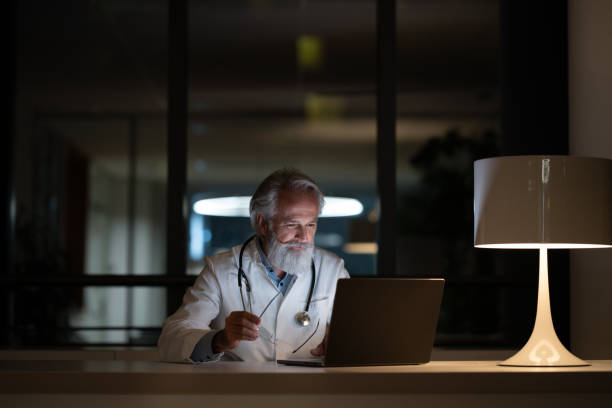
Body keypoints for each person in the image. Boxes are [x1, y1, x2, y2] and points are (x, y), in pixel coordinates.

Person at [158, 168, 350, 362]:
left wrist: (342, 345)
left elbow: (357, 332)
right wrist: (220, 339)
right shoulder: (221, 269)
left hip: (309, 388)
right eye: (292, 225)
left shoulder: (332, 269)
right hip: (241, 387)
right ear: (263, 224)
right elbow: (172, 337)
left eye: (311, 224)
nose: (304, 237)